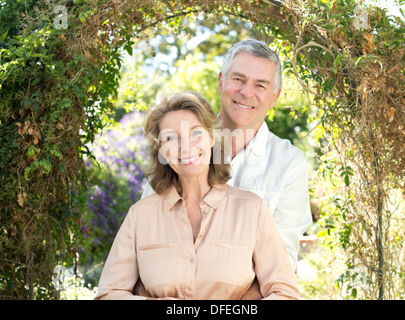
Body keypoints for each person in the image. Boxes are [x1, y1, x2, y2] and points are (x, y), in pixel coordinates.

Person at [94, 91, 300, 300]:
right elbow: (109, 294)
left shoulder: (252, 210)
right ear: (162, 150)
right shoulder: (140, 216)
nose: (186, 146)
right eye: (171, 138)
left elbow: (284, 294)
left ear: (211, 137)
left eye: (195, 133)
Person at [142, 39, 312, 272]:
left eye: (260, 85)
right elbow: (145, 235)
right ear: (222, 82)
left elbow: (281, 263)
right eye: (239, 79)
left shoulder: (289, 164)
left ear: (274, 97)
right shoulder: (178, 145)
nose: (246, 92)